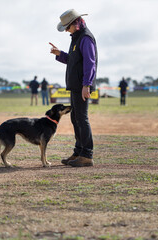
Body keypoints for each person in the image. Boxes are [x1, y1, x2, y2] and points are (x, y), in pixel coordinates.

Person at [49, 9, 97, 167]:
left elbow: (90, 63)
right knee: (75, 118)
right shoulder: (76, 38)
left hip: (81, 87)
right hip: (76, 86)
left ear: (75, 24)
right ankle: (78, 152)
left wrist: (86, 85)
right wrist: (60, 54)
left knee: (82, 119)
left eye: (67, 27)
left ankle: (87, 155)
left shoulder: (85, 38)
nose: (66, 31)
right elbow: (73, 60)